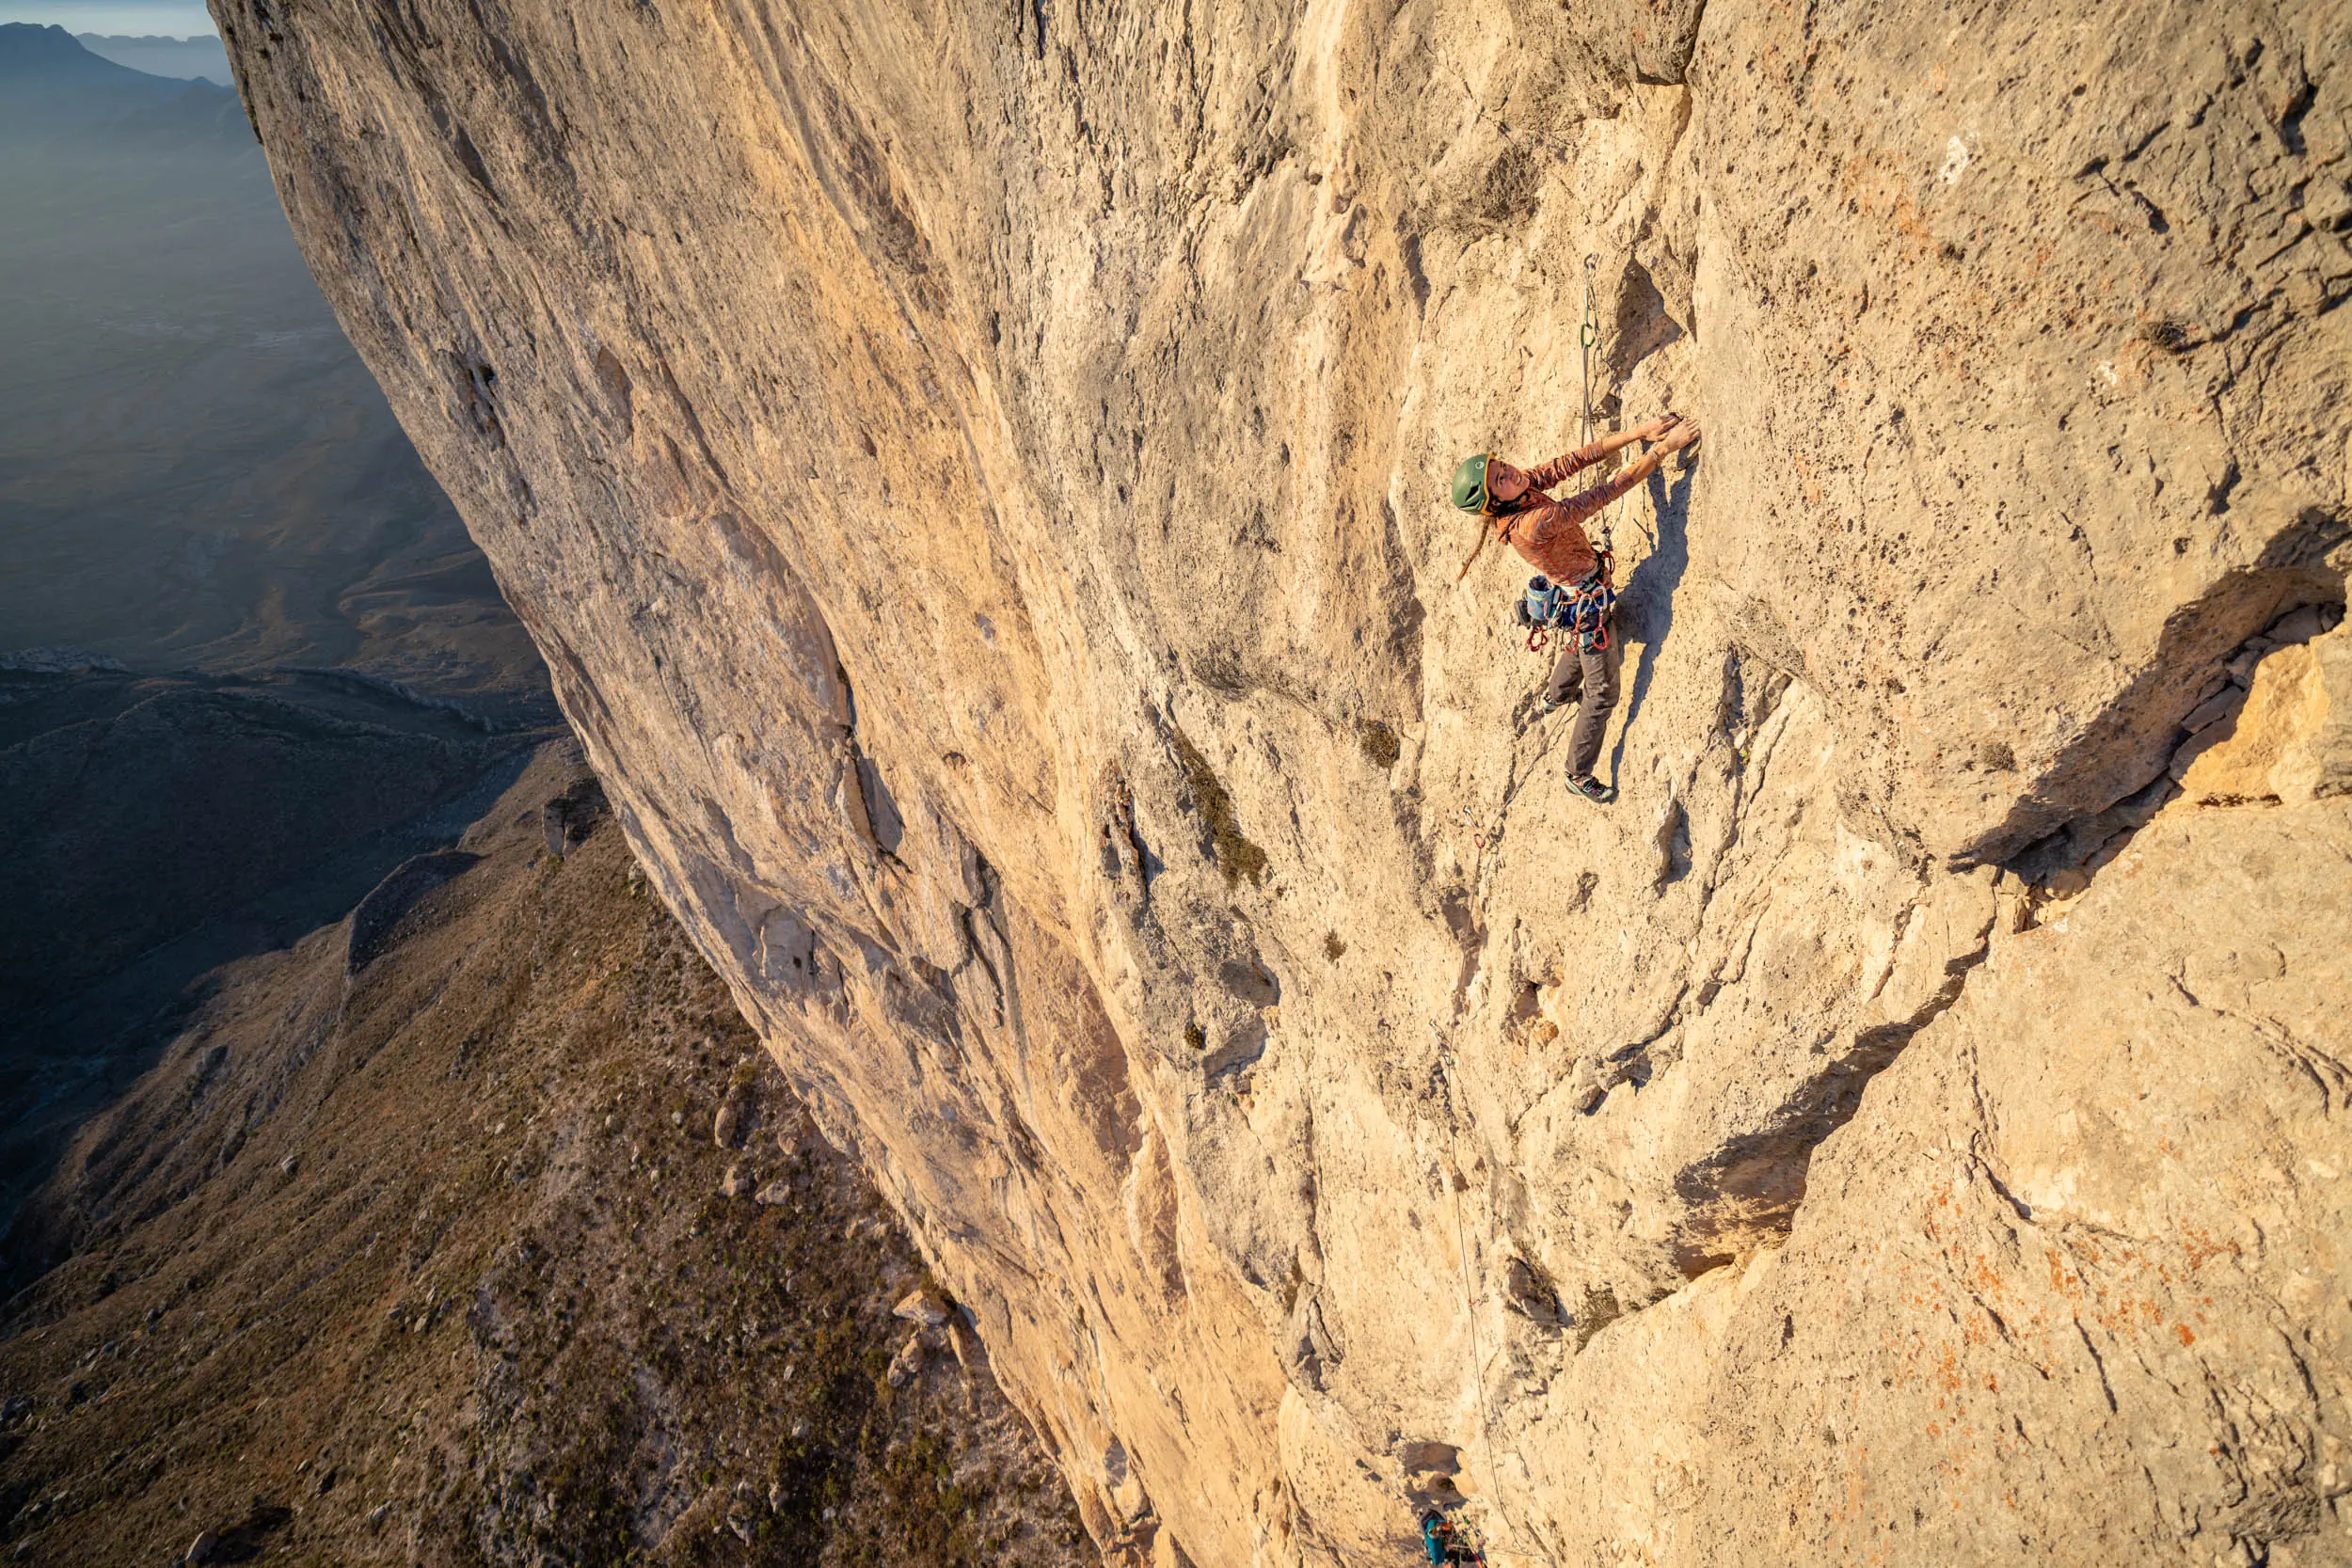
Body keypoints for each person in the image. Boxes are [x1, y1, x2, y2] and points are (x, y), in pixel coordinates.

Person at [1449, 417, 1702, 802]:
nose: (1510, 473)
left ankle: (1557, 693)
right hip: (1586, 601)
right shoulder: (1532, 523)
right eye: (1499, 479)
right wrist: (1663, 450)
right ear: (1493, 502)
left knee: (1586, 640)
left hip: (1578, 591)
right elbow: (1603, 494)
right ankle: (1577, 772)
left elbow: (1574, 461)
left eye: (1501, 467)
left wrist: (1638, 433)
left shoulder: (1521, 492)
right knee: (1601, 692)